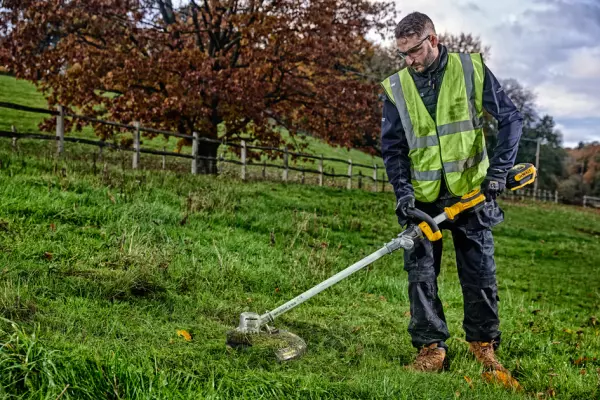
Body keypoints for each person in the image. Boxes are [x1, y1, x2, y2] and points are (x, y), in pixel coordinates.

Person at [380, 12, 523, 372]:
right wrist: (403, 193)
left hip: (471, 193)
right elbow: (393, 148)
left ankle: (483, 346)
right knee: (420, 274)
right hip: (424, 199)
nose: (410, 60)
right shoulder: (397, 87)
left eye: (414, 51)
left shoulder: (470, 69)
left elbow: (511, 119)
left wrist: (498, 173)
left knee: (479, 273)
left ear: (433, 40)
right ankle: (431, 349)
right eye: (403, 54)